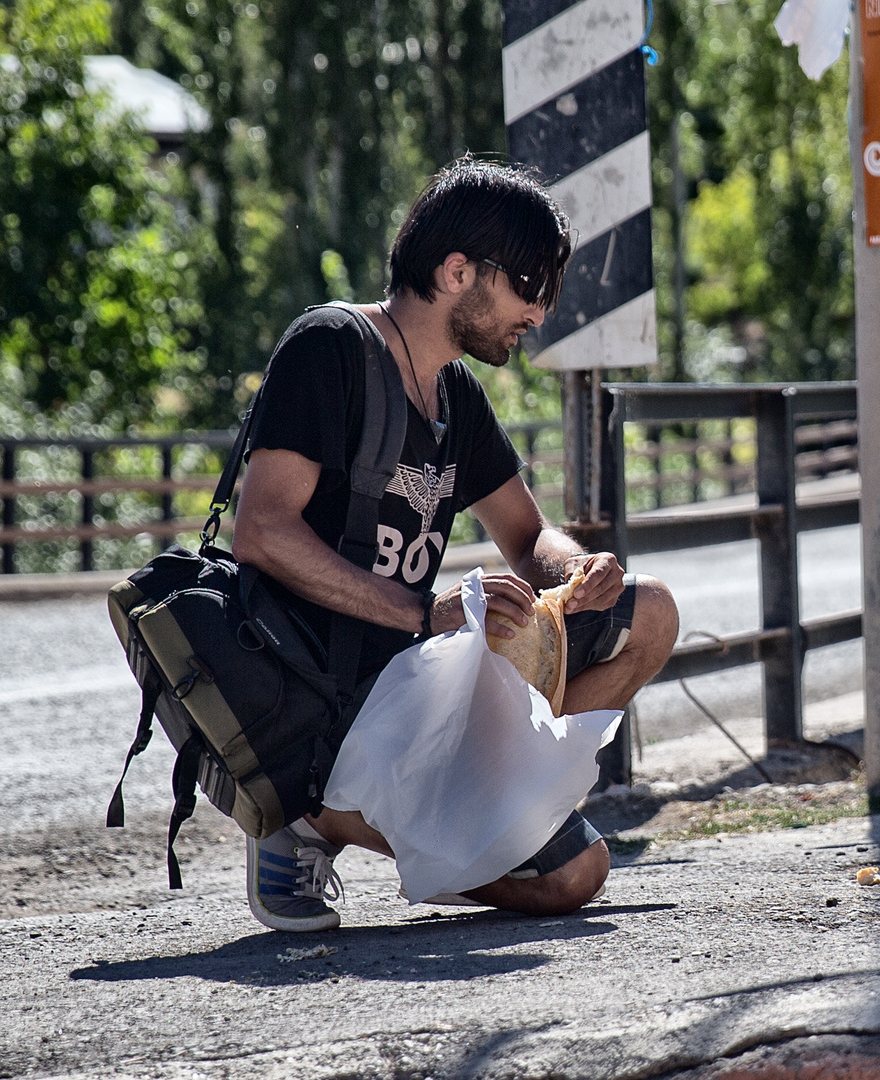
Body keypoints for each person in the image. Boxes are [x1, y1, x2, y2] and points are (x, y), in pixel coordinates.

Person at [231, 159, 679, 932]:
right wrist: (422, 613)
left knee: (652, 614)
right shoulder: (330, 347)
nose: (539, 313)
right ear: (457, 269)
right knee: (576, 874)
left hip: (423, 687)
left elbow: (528, 534)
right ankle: (311, 817)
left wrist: (578, 571)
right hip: (329, 699)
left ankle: (491, 806)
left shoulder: (454, 394)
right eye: (530, 287)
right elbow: (263, 531)